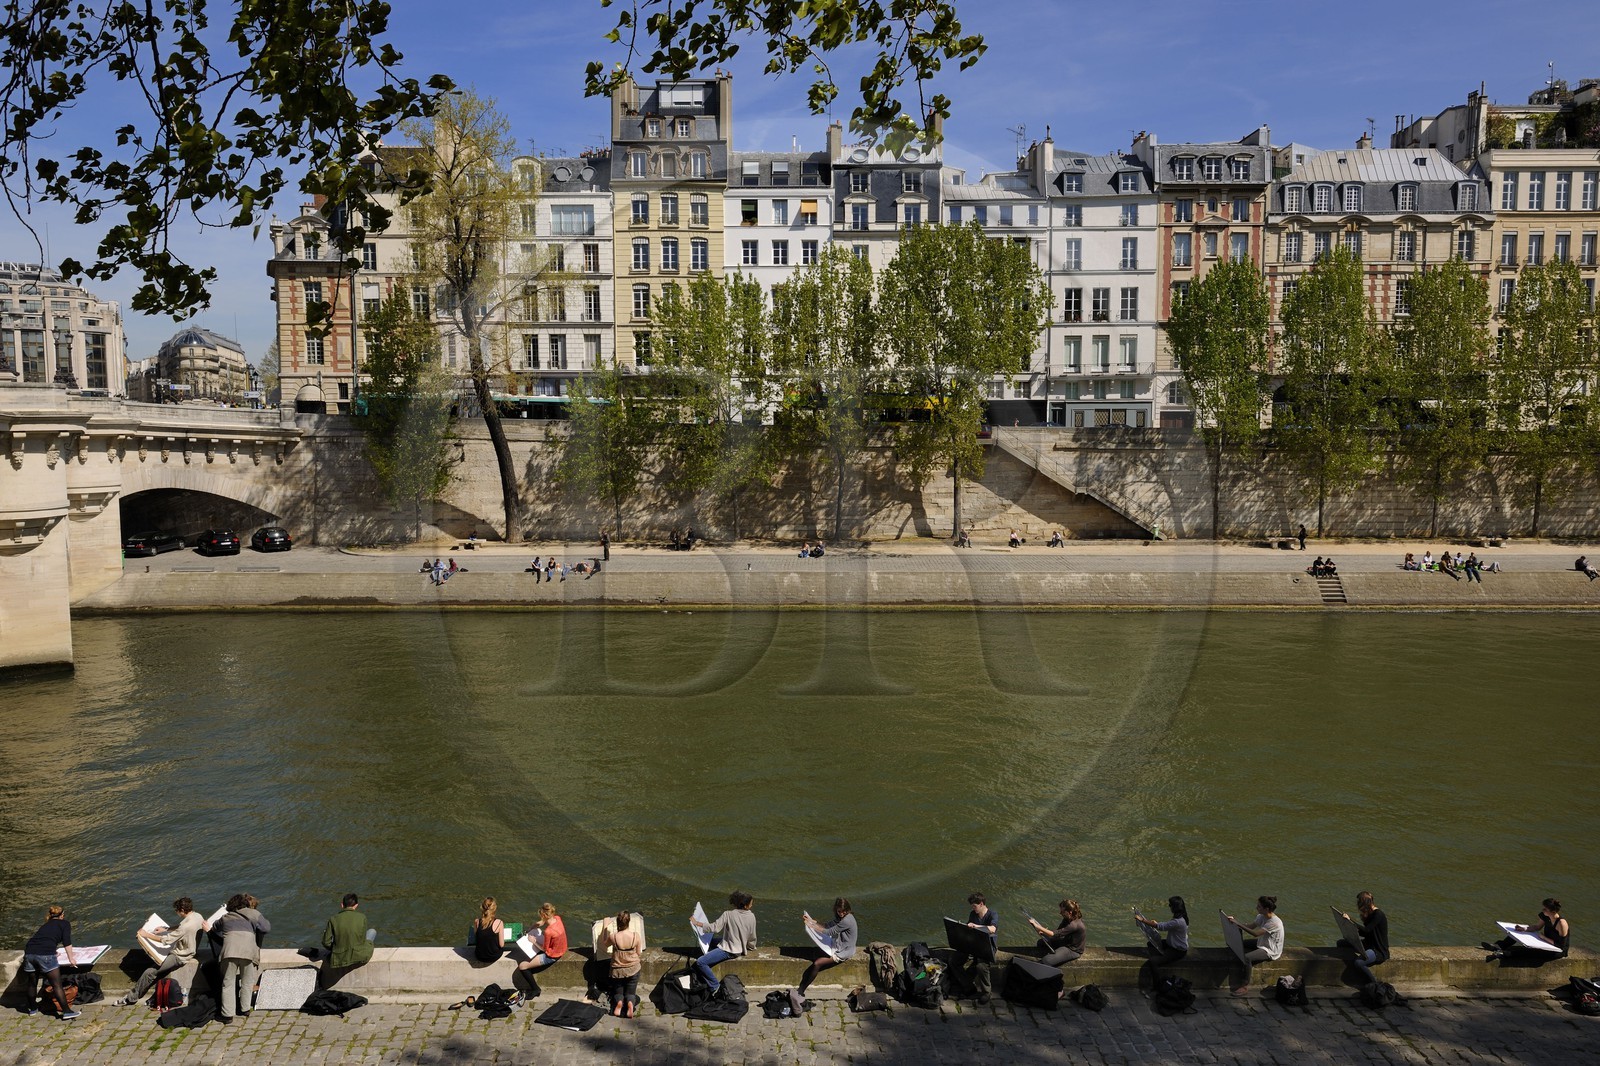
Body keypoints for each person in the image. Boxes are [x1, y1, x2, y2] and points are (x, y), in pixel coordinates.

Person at [125, 896, 208, 1004]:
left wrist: (146, 935)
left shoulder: (185, 927)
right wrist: (166, 929)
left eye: (177, 911)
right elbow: (180, 927)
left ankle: (131, 998)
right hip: (190, 948)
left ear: (182, 910)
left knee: (150, 972)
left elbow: (166, 940)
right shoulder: (197, 916)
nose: (176, 913)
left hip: (181, 956)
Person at [214, 893, 271, 1023]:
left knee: (227, 983)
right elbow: (266, 928)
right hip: (248, 951)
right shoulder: (253, 914)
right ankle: (245, 1009)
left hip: (229, 952)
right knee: (247, 981)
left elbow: (215, 928)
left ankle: (227, 1015)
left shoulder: (225, 917)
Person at [691, 891, 757, 996]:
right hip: (738, 947)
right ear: (745, 906)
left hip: (728, 950)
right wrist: (750, 947)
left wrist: (697, 923)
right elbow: (752, 936)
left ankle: (715, 986)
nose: (752, 905)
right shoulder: (752, 916)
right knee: (710, 942)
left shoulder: (728, 914)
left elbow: (714, 928)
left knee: (700, 962)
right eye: (751, 903)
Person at [21, 905, 80, 1020]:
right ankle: (67, 1011)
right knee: (57, 984)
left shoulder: (45, 925)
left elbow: (43, 940)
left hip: (29, 953)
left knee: (32, 983)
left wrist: (53, 952)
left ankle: (33, 1009)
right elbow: (66, 942)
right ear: (62, 915)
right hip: (45, 955)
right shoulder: (65, 923)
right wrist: (71, 959)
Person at [1225, 895, 1284, 997]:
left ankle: (1244, 986)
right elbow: (1251, 926)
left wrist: (1237, 923)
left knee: (1247, 958)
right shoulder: (1261, 916)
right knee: (1241, 943)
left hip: (1270, 949)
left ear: (1266, 909)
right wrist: (1235, 922)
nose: (1257, 908)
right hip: (1262, 943)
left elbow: (1255, 933)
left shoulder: (1275, 922)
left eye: (1259, 906)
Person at [799, 898, 858, 995]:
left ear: (847, 910)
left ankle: (801, 990)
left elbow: (829, 932)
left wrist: (811, 926)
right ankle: (801, 989)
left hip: (844, 951)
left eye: (844, 911)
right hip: (838, 945)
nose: (841, 913)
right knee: (814, 954)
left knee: (817, 963)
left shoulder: (847, 920)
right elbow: (827, 925)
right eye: (839, 911)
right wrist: (812, 921)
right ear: (836, 909)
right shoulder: (841, 918)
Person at [1485, 897, 1569, 961]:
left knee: (1532, 951)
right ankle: (1499, 945)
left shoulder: (1561, 923)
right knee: (1518, 932)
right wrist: (1524, 929)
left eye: (1545, 909)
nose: (1542, 910)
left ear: (1553, 912)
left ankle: (1504, 954)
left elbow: (1560, 945)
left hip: (1557, 950)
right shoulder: (1545, 916)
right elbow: (1537, 927)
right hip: (1546, 942)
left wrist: (1544, 938)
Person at [952, 891, 998, 1004]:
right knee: (954, 961)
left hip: (987, 946)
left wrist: (976, 926)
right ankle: (968, 987)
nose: (973, 908)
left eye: (975, 906)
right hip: (973, 944)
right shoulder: (973, 914)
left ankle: (986, 992)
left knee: (981, 966)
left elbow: (992, 929)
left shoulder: (992, 914)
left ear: (981, 904)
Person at [514, 902, 568, 995]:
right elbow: (541, 922)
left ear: (544, 915)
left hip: (552, 955)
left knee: (522, 966)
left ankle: (536, 989)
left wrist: (533, 941)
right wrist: (531, 928)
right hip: (561, 948)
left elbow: (544, 950)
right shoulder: (557, 918)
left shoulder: (548, 931)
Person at [320, 892, 376, 982]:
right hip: (359, 956)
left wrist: (334, 948)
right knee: (372, 932)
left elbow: (325, 942)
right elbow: (362, 939)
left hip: (339, 959)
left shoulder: (333, 919)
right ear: (356, 905)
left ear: (342, 905)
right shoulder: (362, 917)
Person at [1135, 896, 1190, 985]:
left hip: (1177, 950)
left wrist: (1142, 920)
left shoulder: (1178, 922)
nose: (1169, 907)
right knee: (1151, 943)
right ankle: (1162, 956)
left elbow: (1162, 927)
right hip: (1171, 944)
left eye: (1170, 905)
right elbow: (1166, 925)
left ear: (1174, 907)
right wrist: (1155, 923)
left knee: (1153, 962)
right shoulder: (1182, 917)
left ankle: (1157, 985)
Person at [599, 910, 642, 1018]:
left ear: (617, 923)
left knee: (618, 992)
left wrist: (605, 927)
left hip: (617, 970)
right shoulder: (635, 936)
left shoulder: (614, 937)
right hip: (633, 969)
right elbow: (639, 953)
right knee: (631, 993)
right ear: (629, 922)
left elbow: (605, 943)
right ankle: (630, 1004)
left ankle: (619, 1002)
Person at [1340, 891, 1389, 986]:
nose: (1358, 905)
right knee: (1341, 943)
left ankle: (1374, 984)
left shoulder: (1378, 914)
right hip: (1368, 944)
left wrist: (1350, 921)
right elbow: (1365, 933)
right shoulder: (1369, 915)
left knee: (1358, 962)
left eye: (1359, 903)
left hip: (1378, 950)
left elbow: (1366, 930)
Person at [1028, 899, 1086, 973]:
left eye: (1062, 911)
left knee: (1046, 960)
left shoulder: (1074, 925)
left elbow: (1054, 934)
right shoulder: (1067, 919)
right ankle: (1054, 954)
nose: (1060, 913)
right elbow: (1058, 932)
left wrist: (1038, 927)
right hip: (1065, 941)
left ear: (1069, 912)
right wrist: (1043, 932)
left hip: (1072, 950)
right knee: (1041, 943)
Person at [472, 896, 506, 962]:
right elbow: (501, 945)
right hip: (493, 956)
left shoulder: (477, 922)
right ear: (495, 908)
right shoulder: (499, 923)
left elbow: (476, 937)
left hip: (480, 956)